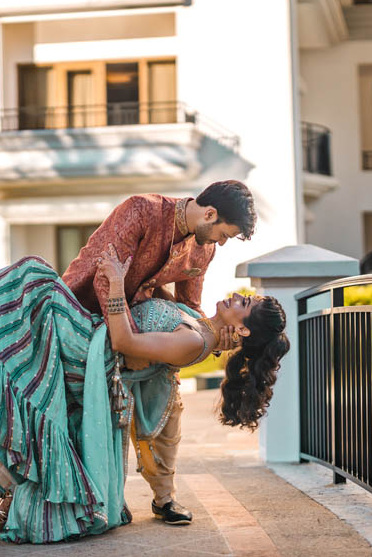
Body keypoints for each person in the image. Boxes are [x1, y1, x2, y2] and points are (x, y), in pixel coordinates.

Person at [0, 248, 289, 545]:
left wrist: (117, 284)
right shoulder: (199, 324)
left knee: (34, 275)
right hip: (90, 340)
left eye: (245, 304)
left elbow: (124, 341)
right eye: (246, 296)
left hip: (92, 352)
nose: (239, 296)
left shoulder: (193, 342)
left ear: (242, 332)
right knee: (20, 309)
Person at [60, 180, 256, 525]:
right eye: (224, 234)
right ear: (209, 214)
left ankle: (164, 497)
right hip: (80, 319)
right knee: (67, 415)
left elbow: (189, 304)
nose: (222, 243)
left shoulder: (203, 249)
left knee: (169, 405)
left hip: (143, 335)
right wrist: (129, 345)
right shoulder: (142, 210)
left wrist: (209, 342)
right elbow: (107, 278)